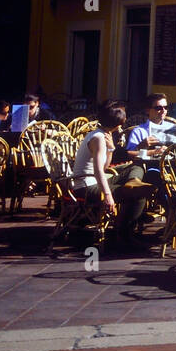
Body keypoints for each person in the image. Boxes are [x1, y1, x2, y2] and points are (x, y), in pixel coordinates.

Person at [70, 101, 150, 246]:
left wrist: (112, 149)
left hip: (94, 180)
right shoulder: (98, 139)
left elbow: (105, 166)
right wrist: (108, 195)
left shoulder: (100, 135)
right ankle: (124, 234)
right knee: (139, 195)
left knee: (136, 166)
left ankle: (133, 182)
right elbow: (99, 170)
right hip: (87, 186)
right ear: (118, 123)